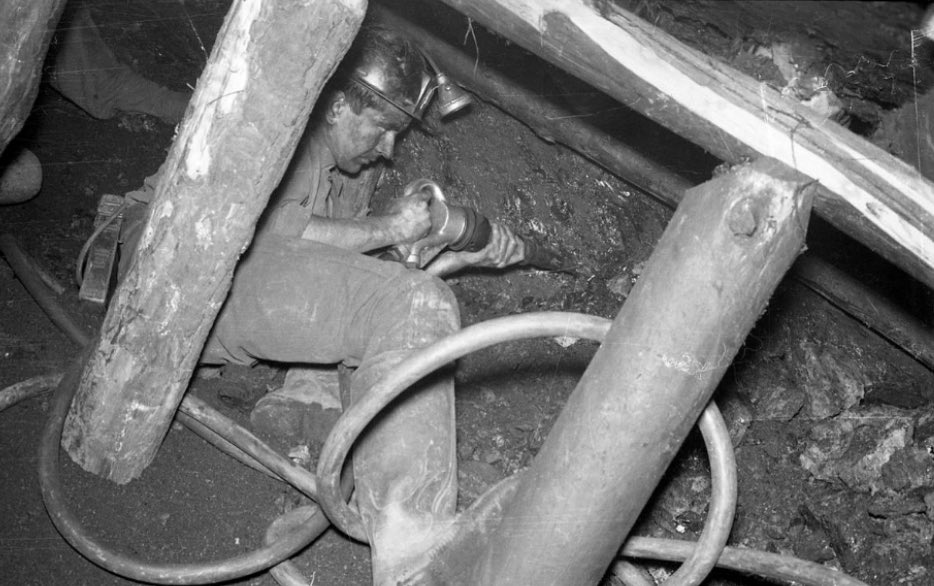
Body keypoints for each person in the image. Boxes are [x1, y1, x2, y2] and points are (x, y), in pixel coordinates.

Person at [115, 22, 525, 584]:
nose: (388, 149)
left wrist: (455, 261)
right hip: (174, 270)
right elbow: (267, 237)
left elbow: (348, 285)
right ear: (335, 105)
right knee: (413, 303)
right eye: (382, 128)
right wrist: (391, 226)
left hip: (223, 295)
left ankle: (304, 409)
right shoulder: (287, 131)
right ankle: (416, 558)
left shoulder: (345, 172)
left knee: (411, 302)